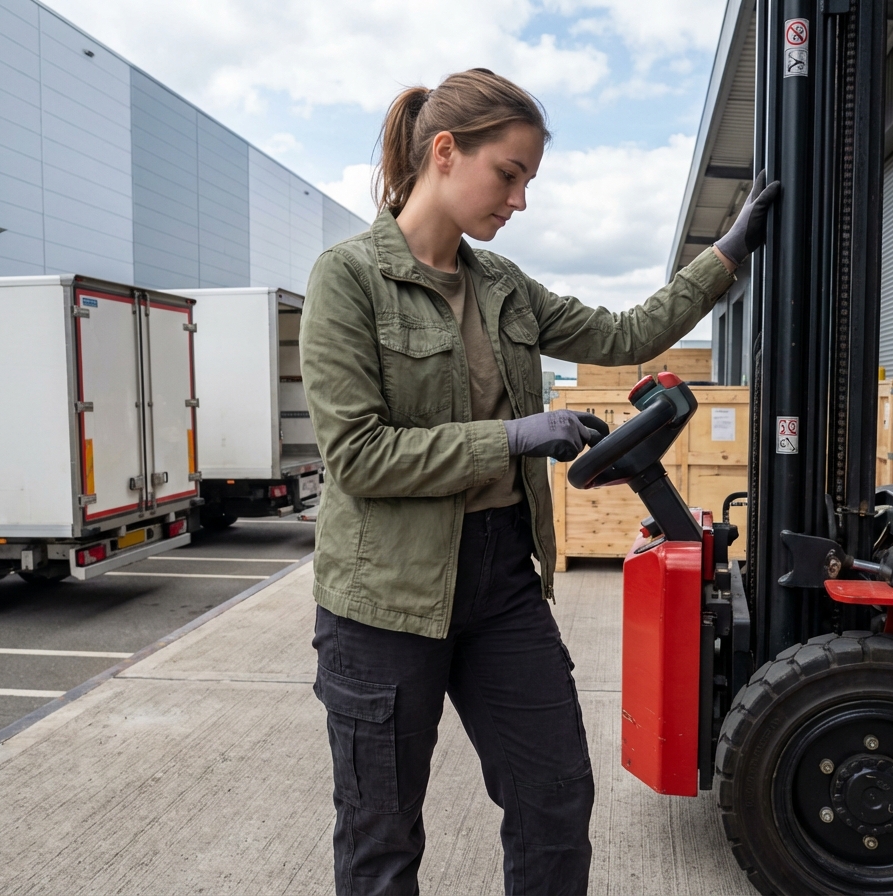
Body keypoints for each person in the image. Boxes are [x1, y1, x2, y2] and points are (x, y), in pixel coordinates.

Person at [301, 68, 779, 896]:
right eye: (509, 174)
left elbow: (624, 334)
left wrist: (727, 253)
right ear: (444, 152)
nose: (519, 200)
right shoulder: (347, 279)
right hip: (384, 599)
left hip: (500, 580)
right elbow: (360, 455)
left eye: (527, 180)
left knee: (555, 797)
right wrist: (515, 436)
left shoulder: (502, 286)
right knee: (382, 831)